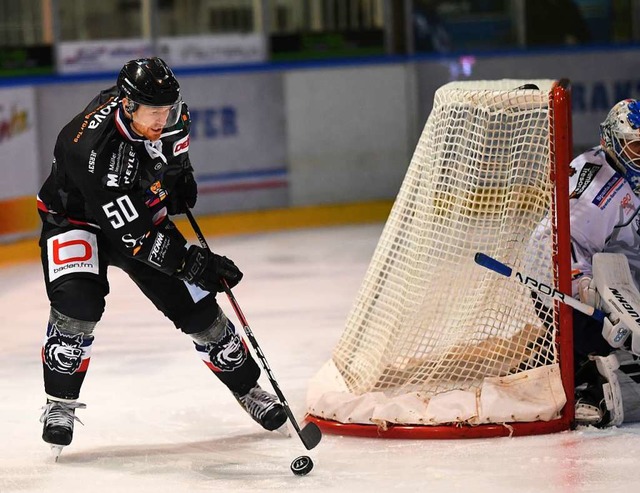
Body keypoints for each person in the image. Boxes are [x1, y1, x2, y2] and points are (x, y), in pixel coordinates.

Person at [37, 57, 287, 456]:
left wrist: (180, 178)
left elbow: (174, 155)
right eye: (153, 112)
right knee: (76, 304)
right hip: (76, 221)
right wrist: (194, 263)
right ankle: (60, 403)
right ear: (127, 105)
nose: (161, 119)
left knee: (197, 308)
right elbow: (133, 237)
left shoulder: (173, 115)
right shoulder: (91, 149)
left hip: (137, 215)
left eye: (166, 110)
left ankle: (249, 389)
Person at [549, 99, 640, 428]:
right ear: (613, 142)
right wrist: (583, 287)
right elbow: (556, 240)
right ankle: (584, 381)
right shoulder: (603, 188)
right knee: (605, 335)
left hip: (620, 276)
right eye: (637, 147)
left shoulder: (625, 175)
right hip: (570, 284)